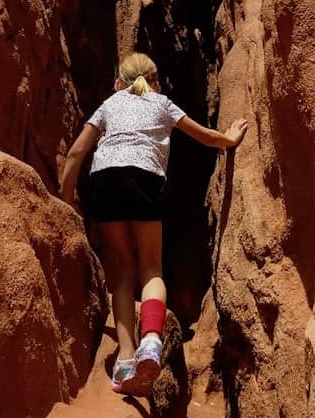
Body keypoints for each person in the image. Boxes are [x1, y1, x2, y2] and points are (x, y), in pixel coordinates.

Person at [59, 52, 248, 396]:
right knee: (151, 270)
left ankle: (126, 358)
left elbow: (75, 153)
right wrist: (229, 139)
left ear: (119, 82)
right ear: (155, 81)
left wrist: (64, 199)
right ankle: (150, 340)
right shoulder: (161, 102)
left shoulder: (110, 103)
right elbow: (204, 136)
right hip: (144, 177)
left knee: (121, 273)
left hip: (105, 180)